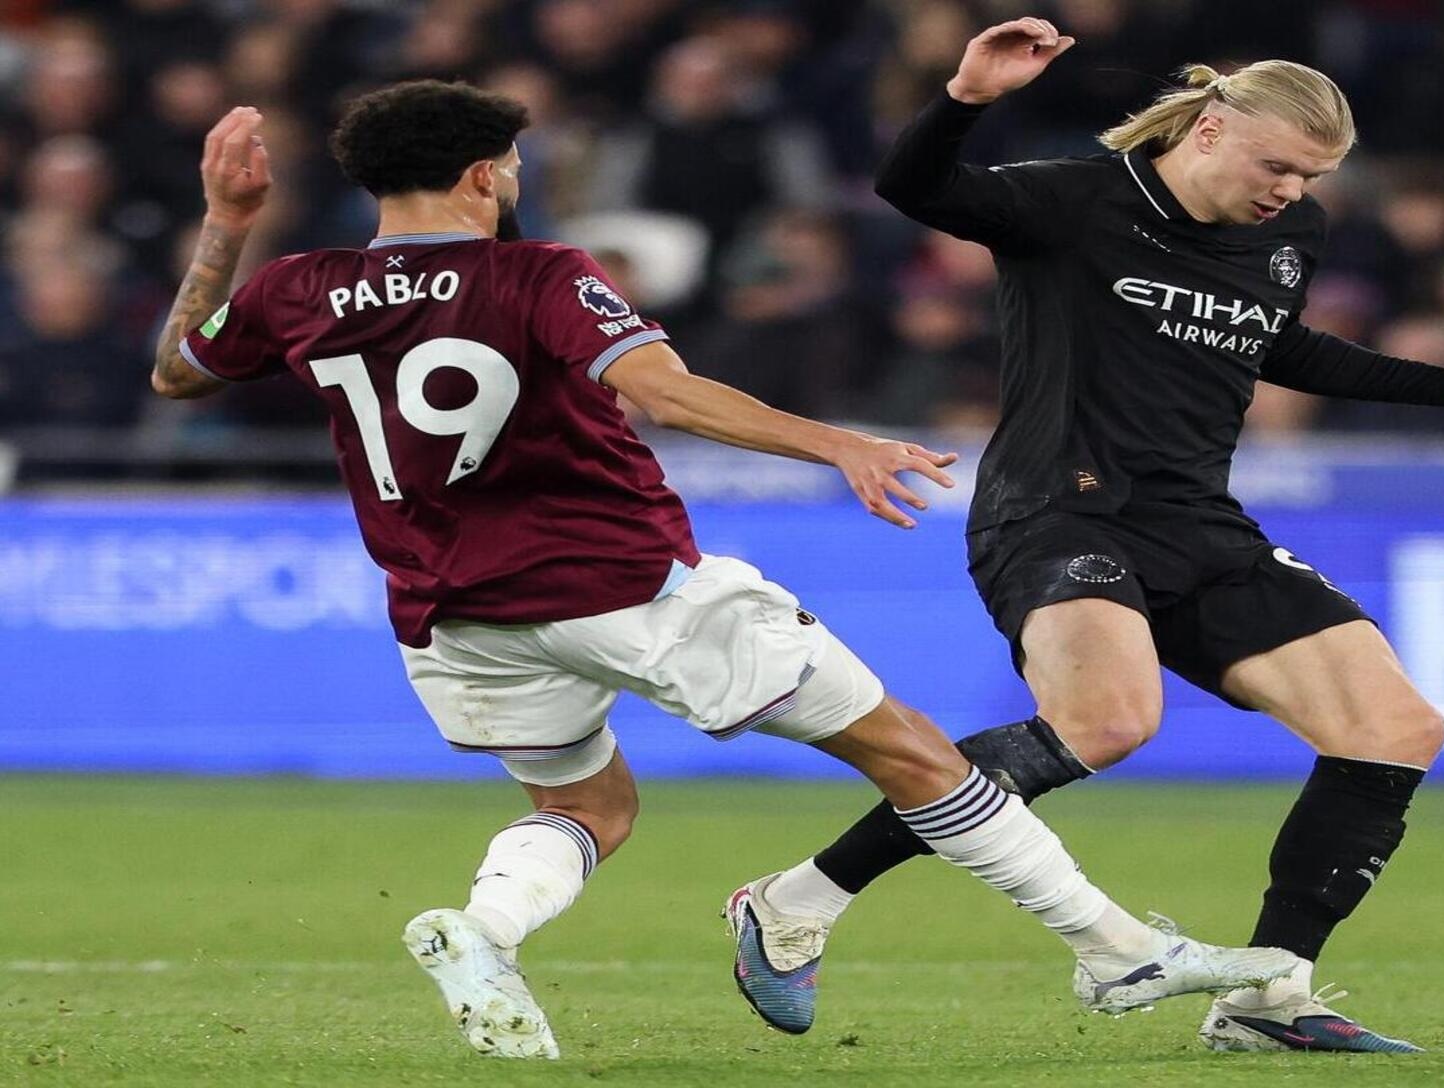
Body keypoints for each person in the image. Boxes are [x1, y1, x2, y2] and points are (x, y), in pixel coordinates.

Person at [147, 81, 1301, 1061]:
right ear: (489, 173)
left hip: (451, 614)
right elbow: (666, 393)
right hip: (627, 585)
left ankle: (487, 927)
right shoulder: (539, 273)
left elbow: (178, 373)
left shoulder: (296, 287)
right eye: (511, 165)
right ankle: (1118, 951)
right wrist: (837, 439)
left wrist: (227, 219)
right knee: (913, 751)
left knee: (586, 803)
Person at [730, 18, 1444, 1053]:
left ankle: (1270, 999)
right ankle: (794, 898)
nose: (1290, 190)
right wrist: (967, 95)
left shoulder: (1289, 235)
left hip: (1197, 521)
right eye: (1278, 165)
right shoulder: (1077, 198)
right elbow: (915, 189)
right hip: (1056, 507)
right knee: (1106, 721)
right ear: (1213, 127)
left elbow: (1275, 342)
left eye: (1310, 177)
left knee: (1395, 727)